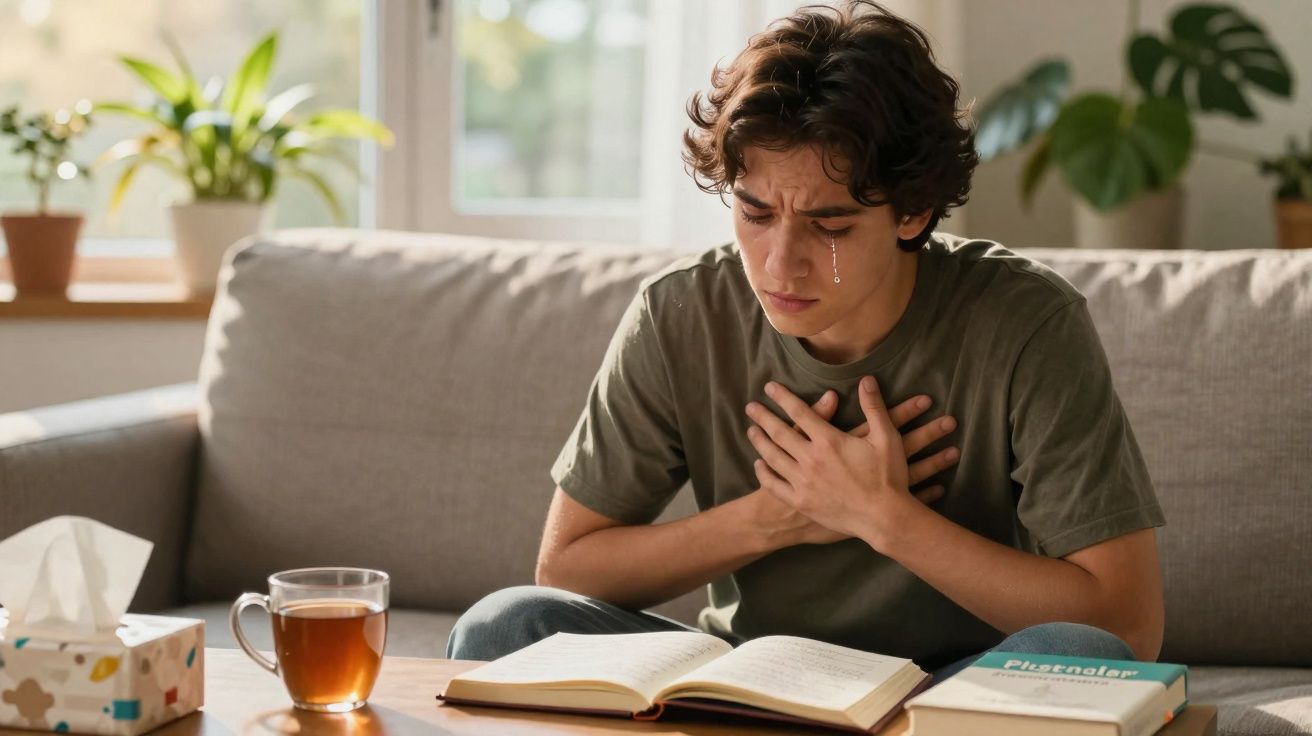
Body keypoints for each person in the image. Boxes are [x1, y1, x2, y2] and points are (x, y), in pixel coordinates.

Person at [447, 0, 1166, 684]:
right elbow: (566, 569)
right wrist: (774, 516)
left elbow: (1127, 624)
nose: (778, 263)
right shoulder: (680, 315)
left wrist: (883, 517)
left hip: (957, 694)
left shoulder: (1024, 320)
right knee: (502, 628)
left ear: (912, 211)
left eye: (830, 226)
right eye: (756, 212)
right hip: (746, 679)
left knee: (1078, 654)